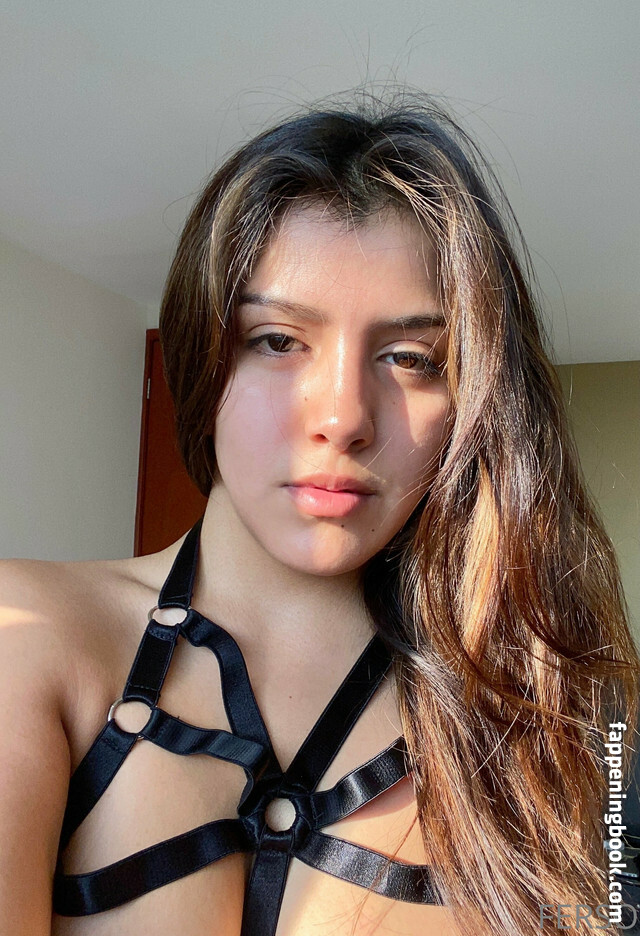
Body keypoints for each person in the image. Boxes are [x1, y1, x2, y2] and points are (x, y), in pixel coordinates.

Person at [0, 92, 638, 936]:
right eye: (278, 341)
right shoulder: (31, 638)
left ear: (473, 401)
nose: (342, 417)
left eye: (411, 358)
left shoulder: (557, 713)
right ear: (203, 356)